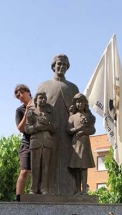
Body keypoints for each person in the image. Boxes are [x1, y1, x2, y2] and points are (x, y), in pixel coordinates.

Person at [35, 54, 80, 195]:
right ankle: (44, 189)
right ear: (53, 66)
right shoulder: (44, 86)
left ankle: (71, 190)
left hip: (68, 132)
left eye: (65, 65)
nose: (61, 67)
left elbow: (79, 110)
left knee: (69, 161)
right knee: (47, 161)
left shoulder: (73, 87)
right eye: (59, 64)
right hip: (48, 132)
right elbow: (34, 107)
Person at [24, 91, 56, 195]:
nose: (42, 100)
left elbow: (54, 128)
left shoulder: (49, 113)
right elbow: (27, 128)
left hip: (47, 142)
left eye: (44, 98)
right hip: (35, 142)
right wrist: (36, 127)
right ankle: (33, 189)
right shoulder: (31, 113)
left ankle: (44, 189)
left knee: (45, 167)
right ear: (36, 100)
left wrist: (47, 125)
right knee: (35, 167)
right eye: (40, 98)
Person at [67, 93, 96, 194]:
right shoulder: (72, 117)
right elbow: (68, 130)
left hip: (85, 144)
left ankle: (84, 190)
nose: (80, 104)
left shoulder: (89, 116)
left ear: (85, 103)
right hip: (76, 144)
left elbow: (93, 130)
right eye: (78, 102)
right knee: (76, 168)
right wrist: (77, 129)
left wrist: (84, 132)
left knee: (84, 167)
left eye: (81, 101)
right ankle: (77, 190)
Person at [14, 84, 32, 201]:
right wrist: (26, 113)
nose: (19, 96)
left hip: (41, 141)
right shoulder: (19, 110)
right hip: (27, 142)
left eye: (20, 93)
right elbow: (20, 128)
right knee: (25, 170)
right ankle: (18, 198)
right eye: (17, 96)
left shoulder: (40, 104)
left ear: (27, 91)